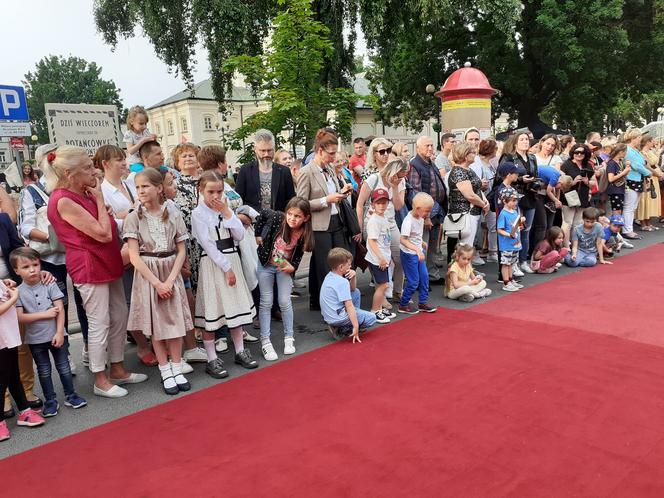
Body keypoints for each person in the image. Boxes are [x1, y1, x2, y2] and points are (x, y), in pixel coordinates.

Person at [45, 146, 147, 398]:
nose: (95, 171)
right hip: (90, 265)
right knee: (99, 321)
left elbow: (106, 226)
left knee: (119, 314)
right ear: (69, 173)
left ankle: (118, 369)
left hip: (107, 259)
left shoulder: (83, 192)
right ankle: (100, 379)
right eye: (88, 168)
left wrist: (102, 208)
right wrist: (101, 201)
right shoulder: (63, 199)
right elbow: (101, 233)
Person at [18, 145, 90, 369]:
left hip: (76, 253)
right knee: (60, 304)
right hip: (51, 257)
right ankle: (64, 353)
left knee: (85, 302)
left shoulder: (75, 188)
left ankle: (90, 348)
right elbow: (26, 228)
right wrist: (55, 237)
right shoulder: (30, 192)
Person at [123, 169, 193, 395]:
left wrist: (171, 280)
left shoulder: (173, 214)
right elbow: (134, 256)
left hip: (170, 269)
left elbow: (182, 249)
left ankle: (176, 365)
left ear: (159, 188)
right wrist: (157, 283)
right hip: (149, 274)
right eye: (138, 187)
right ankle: (165, 369)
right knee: (157, 325)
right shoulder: (134, 217)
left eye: (146, 186)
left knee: (174, 323)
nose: (141, 191)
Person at [94, 145, 157, 366]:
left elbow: (146, 207)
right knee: (130, 298)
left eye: (123, 159)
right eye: (118, 159)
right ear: (105, 164)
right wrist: (130, 213)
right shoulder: (101, 190)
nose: (123, 163)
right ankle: (142, 345)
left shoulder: (130, 183)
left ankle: (150, 339)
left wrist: (127, 213)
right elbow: (111, 222)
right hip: (122, 248)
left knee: (144, 295)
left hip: (144, 244)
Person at [192, 171, 258, 374]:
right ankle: (212, 358)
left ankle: (240, 351)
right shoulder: (198, 214)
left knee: (234, 307)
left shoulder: (225, 209)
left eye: (219, 191)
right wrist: (226, 268)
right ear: (201, 191)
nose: (215, 196)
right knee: (214, 309)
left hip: (232, 257)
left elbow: (239, 235)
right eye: (210, 191)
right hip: (214, 264)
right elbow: (208, 244)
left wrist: (228, 214)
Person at [12, 248, 87, 416]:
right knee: (43, 371)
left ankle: (71, 395)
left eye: (35, 264)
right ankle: (50, 400)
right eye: (26, 267)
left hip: (57, 335)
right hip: (35, 340)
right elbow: (20, 317)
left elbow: (60, 309)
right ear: (16, 271)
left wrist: (60, 332)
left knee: (64, 367)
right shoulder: (18, 292)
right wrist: (44, 314)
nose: (32, 269)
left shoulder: (50, 283)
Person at [296, 128, 351, 311]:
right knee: (324, 267)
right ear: (320, 150)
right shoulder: (306, 171)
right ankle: (328, 305)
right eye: (331, 153)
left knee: (339, 263)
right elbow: (301, 203)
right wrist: (325, 200)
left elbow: (332, 192)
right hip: (319, 226)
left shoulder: (329, 169)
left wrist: (342, 192)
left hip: (337, 221)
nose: (334, 157)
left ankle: (331, 301)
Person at [255, 197, 314, 361]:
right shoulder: (278, 218)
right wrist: (257, 234)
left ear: (306, 218)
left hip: (284, 267)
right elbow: (262, 214)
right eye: (290, 214)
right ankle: (265, 341)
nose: (292, 219)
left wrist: (293, 267)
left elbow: (299, 254)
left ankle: (289, 337)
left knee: (285, 301)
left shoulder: (303, 233)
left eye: (297, 216)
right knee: (266, 301)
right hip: (266, 264)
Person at [356, 157, 408, 303]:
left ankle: (398, 290)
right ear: (392, 170)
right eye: (399, 175)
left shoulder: (400, 181)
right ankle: (381, 295)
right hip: (372, 223)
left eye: (403, 176)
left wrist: (396, 186)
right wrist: (359, 228)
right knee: (378, 259)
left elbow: (398, 206)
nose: (400, 178)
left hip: (390, 224)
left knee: (399, 257)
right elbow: (359, 204)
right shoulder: (374, 178)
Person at [0, 278, 45, 441]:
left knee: (13, 375)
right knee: (2, 379)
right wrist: (14, 298)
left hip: (8, 334)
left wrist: (5, 285)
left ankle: (24, 411)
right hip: (2, 339)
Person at [499, 131, 539, 274]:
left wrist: (535, 184)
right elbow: (502, 176)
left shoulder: (532, 157)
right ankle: (513, 263)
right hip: (513, 197)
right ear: (515, 142)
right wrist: (522, 180)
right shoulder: (509, 157)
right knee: (514, 230)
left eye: (527, 139)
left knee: (526, 230)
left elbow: (536, 175)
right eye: (522, 139)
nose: (525, 142)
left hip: (530, 196)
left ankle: (523, 260)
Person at [409, 136, 447, 283]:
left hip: (436, 210)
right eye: (427, 146)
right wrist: (426, 217)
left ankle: (432, 275)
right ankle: (421, 279)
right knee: (422, 245)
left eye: (431, 145)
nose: (430, 148)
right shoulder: (415, 165)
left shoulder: (431, 163)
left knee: (432, 245)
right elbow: (416, 194)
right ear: (418, 148)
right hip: (425, 214)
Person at [320, 247, 376, 342]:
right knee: (372, 318)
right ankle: (344, 328)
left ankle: (345, 322)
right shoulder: (342, 282)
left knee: (356, 292)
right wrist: (356, 326)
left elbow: (353, 289)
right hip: (338, 317)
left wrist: (353, 276)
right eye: (349, 265)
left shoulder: (329, 275)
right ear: (341, 267)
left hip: (330, 315)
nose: (350, 267)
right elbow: (349, 305)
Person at [445, 142, 489, 263]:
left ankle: (466, 272)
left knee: (466, 246)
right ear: (465, 155)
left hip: (472, 212)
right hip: (465, 213)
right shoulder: (459, 172)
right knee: (465, 247)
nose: (475, 155)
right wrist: (483, 204)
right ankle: (461, 275)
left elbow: (477, 189)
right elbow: (469, 195)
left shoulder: (467, 170)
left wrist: (484, 201)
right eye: (472, 152)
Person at [235, 129, 295, 213]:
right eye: (263, 151)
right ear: (255, 149)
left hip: (278, 221)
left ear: (274, 149)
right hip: (252, 221)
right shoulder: (245, 170)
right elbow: (238, 199)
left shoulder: (284, 172)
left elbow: (291, 200)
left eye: (269, 150)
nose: (266, 154)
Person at [398, 192, 438, 313]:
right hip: (409, 254)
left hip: (418, 252)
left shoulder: (420, 218)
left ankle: (422, 302)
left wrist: (421, 242)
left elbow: (415, 235)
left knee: (424, 278)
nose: (428, 214)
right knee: (413, 281)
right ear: (418, 208)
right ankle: (403, 304)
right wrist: (416, 249)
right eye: (427, 211)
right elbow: (403, 239)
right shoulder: (408, 221)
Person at [365, 188, 397, 324]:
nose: (382, 205)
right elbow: (372, 241)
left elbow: (385, 239)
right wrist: (381, 258)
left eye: (384, 203)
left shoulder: (382, 218)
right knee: (383, 285)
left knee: (382, 285)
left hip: (383, 257)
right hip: (378, 259)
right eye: (378, 203)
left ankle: (379, 308)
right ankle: (375, 311)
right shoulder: (374, 221)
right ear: (373, 205)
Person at [560, 144, 594, 245]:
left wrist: (587, 181)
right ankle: (566, 246)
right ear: (572, 153)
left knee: (578, 224)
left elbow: (594, 183)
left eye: (582, 152)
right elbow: (561, 182)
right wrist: (573, 182)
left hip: (582, 196)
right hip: (569, 196)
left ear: (586, 154)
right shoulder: (566, 164)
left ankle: (575, 245)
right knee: (567, 223)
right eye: (576, 152)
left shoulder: (588, 165)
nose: (579, 154)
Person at [622, 128, 651, 239]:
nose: (640, 140)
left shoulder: (634, 149)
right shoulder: (629, 150)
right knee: (629, 206)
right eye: (639, 138)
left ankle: (629, 229)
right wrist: (648, 173)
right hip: (631, 179)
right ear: (634, 138)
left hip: (637, 179)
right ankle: (627, 230)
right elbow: (637, 165)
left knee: (633, 206)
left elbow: (642, 162)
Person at [496, 187, 525, 292]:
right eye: (513, 200)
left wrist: (520, 226)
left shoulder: (514, 212)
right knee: (506, 263)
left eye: (516, 200)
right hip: (507, 244)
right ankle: (506, 282)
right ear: (505, 201)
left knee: (512, 262)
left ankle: (510, 279)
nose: (515, 202)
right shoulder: (503, 214)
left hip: (515, 243)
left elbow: (515, 226)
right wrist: (509, 234)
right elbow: (499, 229)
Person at [636, 136, 662, 231]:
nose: (653, 143)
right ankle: (643, 223)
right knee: (645, 200)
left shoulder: (650, 151)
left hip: (654, 177)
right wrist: (658, 174)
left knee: (651, 200)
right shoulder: (642, 152)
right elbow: (647, 166)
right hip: (648, 178)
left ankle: (648, 222)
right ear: (647, 142)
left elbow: (655, 163)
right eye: (652, 141)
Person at [123, 106, 157, 172]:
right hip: (135, 163)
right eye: (141, 124)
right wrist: (142, 141)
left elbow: (150, 146)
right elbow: (130, 151)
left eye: (145, 124)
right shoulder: (129, 134)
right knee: (145, 173)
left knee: (162, 169)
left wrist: (153, 139)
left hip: (147, 161)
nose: (144, 126)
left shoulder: (146, 132)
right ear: (131, 122)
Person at [606, 143, 630, 215]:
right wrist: (624, 172)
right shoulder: (612, 163)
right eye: (625, 151)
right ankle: (615, 225)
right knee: (616, 211)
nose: (626, 153)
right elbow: (611, 179)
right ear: (620, 152)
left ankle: (617, 225)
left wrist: (626, 169)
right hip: (615, 190)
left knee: (619, 210)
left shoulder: (620, 162)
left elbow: (621, 175)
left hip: (620, 189)